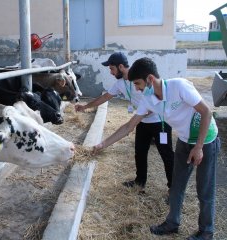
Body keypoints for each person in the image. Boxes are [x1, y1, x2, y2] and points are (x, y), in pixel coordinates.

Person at [93, 57, 220, 240]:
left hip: (206, 139)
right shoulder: (148, 99)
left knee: (204, 189)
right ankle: (172, 223)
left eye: (138, 83)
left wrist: (199, 147)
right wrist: (103, 144)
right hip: (184, 140)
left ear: (150, 79)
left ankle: (206, 231)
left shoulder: (179, 86)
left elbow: (206, 111)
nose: (136, 89)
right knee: (176, 186)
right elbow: (129, 126)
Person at [75, 52, 174, 190]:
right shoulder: (120, 84)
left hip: (160, 122)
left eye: (111, 68)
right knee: (140, 152)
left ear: (121, 66)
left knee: (166, 155)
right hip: (142, 121)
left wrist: (145, 113)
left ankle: (173, 188)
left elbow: (157, 99)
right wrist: (85, 106)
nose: (110, 72)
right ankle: (140, 182)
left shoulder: (144, 79)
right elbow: (104, 98)